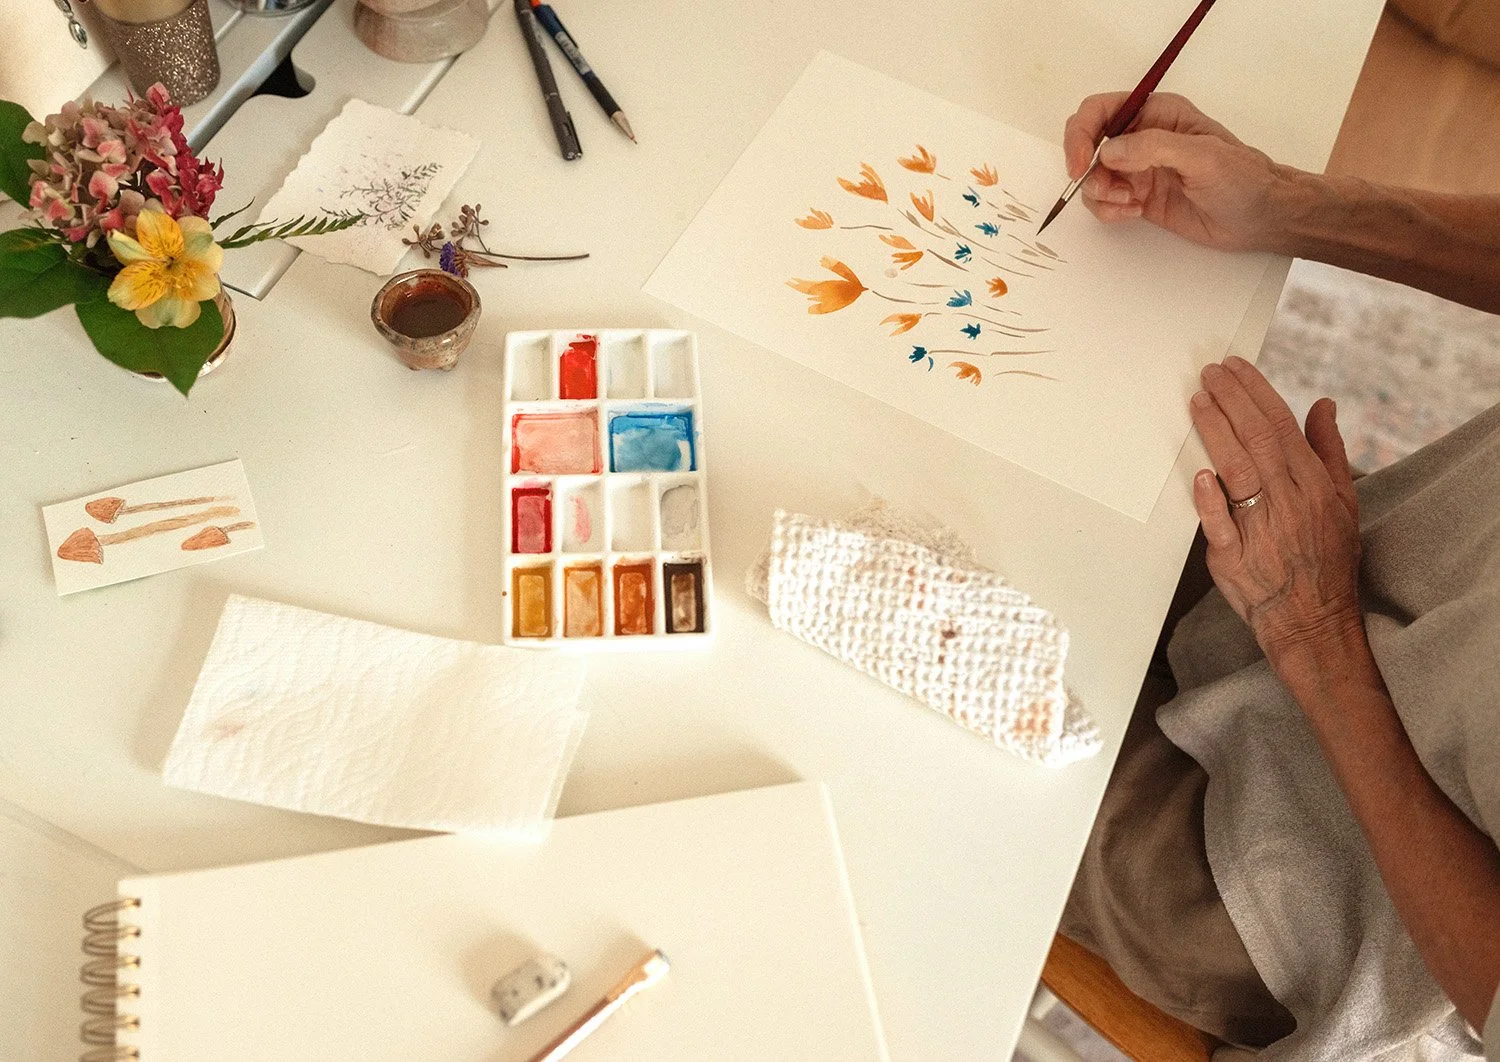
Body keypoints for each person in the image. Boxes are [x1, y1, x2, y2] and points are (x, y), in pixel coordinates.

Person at [1055, 92, 1500, 1061]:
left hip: (1288, 868)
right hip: (1324, 571)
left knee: (861, 710)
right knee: (1037, 460)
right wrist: (1290, 206)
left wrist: (1319, 641)